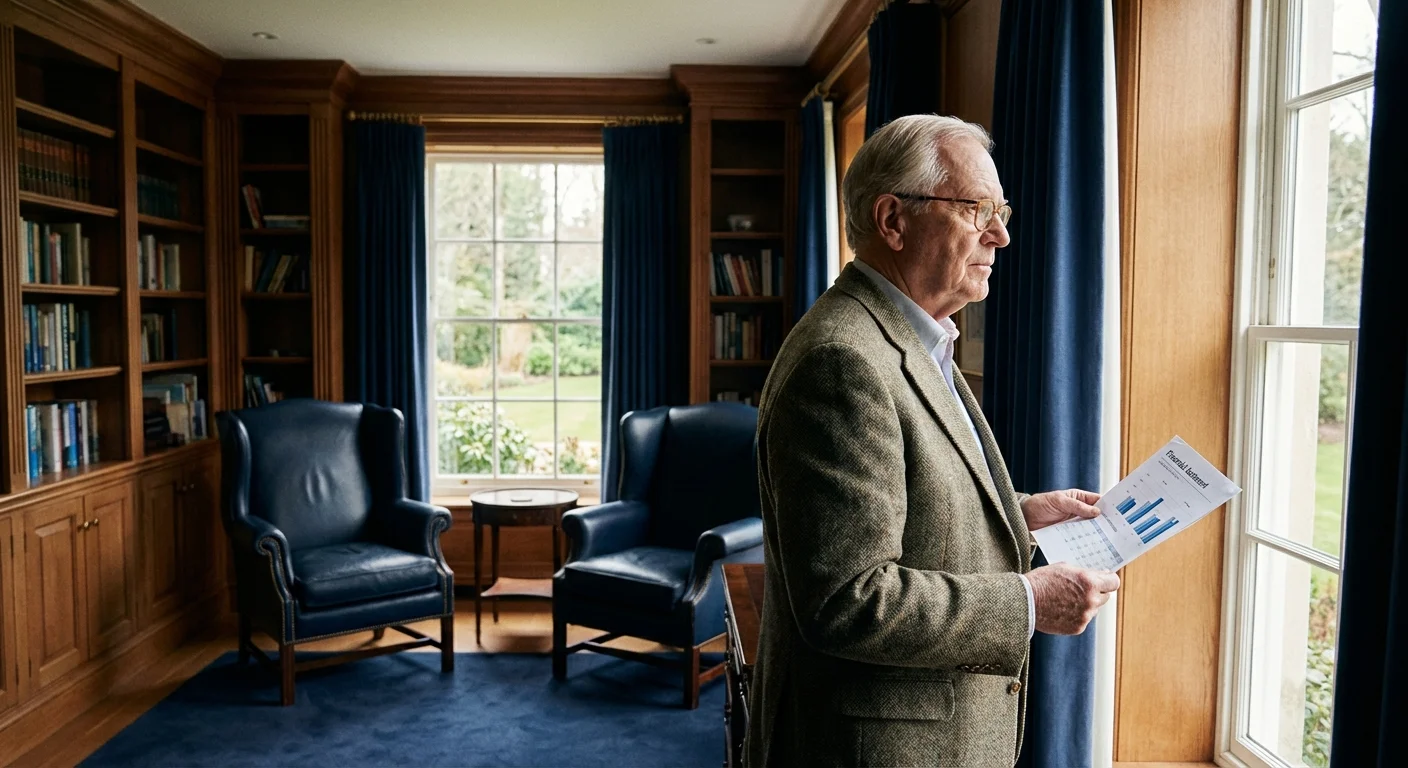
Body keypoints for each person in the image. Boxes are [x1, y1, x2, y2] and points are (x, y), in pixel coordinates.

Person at [745, 114, 1121, 767]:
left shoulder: (914, 338)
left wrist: (1019, 514)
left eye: (1001, 211)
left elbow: (901, 497)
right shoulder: (843, 360)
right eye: (977, 210)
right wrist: (1028, 602)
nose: (1001, 235)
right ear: (893, 220)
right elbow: (847, 600)